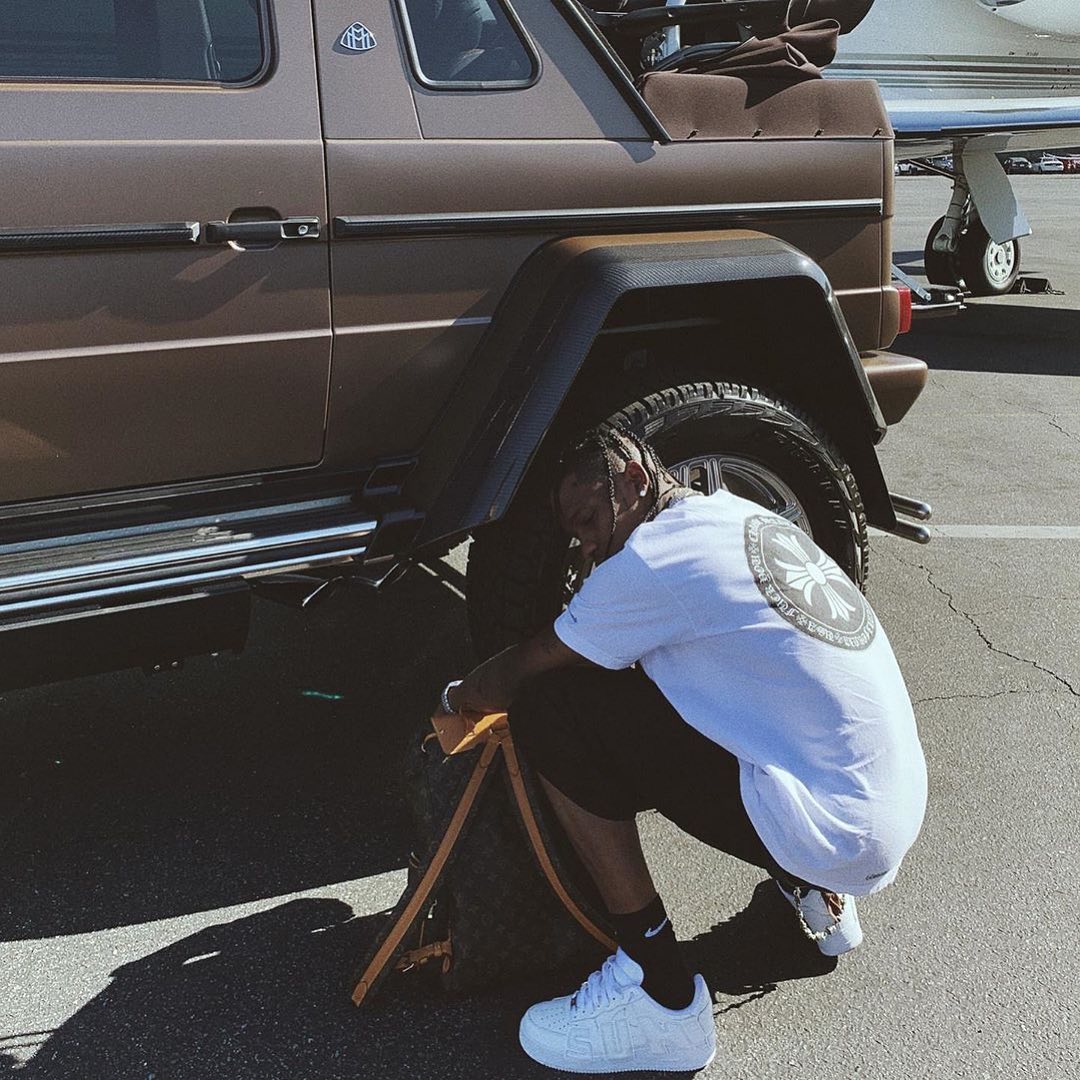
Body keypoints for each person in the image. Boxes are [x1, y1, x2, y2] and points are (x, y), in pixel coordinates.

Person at [435, 423, 927, 1074]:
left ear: (634, 479)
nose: (581, 545)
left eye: (586, 519)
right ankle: (819, 891)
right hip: (881, 813)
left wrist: (450, 702)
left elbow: (527, 665)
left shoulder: (649, 560)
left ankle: (659, 992)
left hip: (833, 833)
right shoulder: (734, 513)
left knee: (548, 707)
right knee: (692, 684)